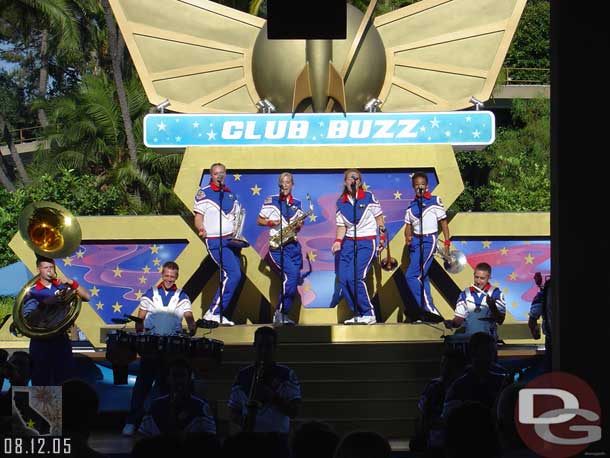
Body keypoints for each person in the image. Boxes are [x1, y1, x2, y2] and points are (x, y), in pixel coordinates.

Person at [122, 261, 196, 436]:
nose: (169, 279)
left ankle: (163, 424)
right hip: (151, 347)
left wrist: (192, 325)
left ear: (176, 277)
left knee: (166, 387)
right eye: (166, 275)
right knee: (142, 386)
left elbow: (189, 316)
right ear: (162, 275)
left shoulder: (182, 296)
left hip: (172, 349)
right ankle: (132, 422)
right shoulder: (150, 293)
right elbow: (140, 318)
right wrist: (141, 338)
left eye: (172, 276)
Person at [23, 256, 90, 386]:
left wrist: (71, 282)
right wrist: (44, 305)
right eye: (45, 267)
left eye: (51, 267)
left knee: (65, 379)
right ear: (38, 270)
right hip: (41, 340)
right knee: (41, 380)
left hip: (61, 339)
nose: (49, 270)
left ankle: (65, 406)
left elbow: (87, 296)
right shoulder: (32, 292)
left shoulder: (61, 287)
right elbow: (28, 320)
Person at [331, 169, 386, 325]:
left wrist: (381, 237)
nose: (352, 181)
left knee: (356, 277)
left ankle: (368, 313)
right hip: (348, 242)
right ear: (345, 182)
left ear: (359, 182)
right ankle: (358, 313)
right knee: (344, 278)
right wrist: (337, 241)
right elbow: (342, 226)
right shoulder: (341, 202)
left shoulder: (369, 197)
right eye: (349, 178)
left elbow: (379, 219)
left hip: (366, 241)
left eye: (356, 178)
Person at [194, 162, 243, 326]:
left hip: (231, 241)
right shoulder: (204, 193)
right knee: (234, 274)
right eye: (216, 173)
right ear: (211, 175)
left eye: (222, 173)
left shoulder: (230, 195)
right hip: (215, 240)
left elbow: (237, 219)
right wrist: (201, 229)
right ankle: (213, 313)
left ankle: (218, 314)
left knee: (231, 276)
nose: (219, 176)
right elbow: (198, 216)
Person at [228, 326, 301, 435]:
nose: (263, 350)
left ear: (275, 347)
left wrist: (273, 398)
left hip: (277, 439)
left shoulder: (287, 375)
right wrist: (243, 422)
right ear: (254, 346)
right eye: (260, 346)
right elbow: (233, 409)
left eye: (268, 346)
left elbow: (294, 412)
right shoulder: (242, 375)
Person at [257, 172, 305, 326]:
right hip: (278, 247)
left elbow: (299, 227)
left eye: (287, 182)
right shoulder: (271, 201)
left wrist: (298, 225)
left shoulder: (297, 203)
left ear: (292, 184)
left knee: (292, 279)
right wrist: (271, 223)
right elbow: (259, 220)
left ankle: (283, 314)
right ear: (279, 185)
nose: (284, 185)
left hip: (293, 246)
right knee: (290, 276)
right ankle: (280, 314)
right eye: (282, 183)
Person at [404, 172, 450, 322]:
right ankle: (424, 314)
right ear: (413, 187)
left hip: (429, 240)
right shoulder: (411, 207)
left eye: (422, 184)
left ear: (427, 186)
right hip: (416, 242)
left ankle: (430, 310)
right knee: (421, 277)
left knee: (411, 275)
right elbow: (408, 225)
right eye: (416, 185)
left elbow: (443, 223)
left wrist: (447, 243)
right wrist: (408, 237)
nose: (420, 187)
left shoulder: (435, 201)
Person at [138, 358, 216, 436]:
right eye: (175, 376)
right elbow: (143, 435)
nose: (179, 380)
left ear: (189, 379)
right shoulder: (156, 405)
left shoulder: (200, 407)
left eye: (182, 376)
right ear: (168, 378)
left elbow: (210, 438)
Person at [443, 262, 506, 340]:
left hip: (488, 340)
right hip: (469, 339)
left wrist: (492, 306)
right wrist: (452, 323)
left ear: (489, 277)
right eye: (476, 277)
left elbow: (500, 320)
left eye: (482, 278)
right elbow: (459, 320)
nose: (478, 281)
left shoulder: (496, 293)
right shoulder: (465, 294)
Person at [528, 272, 552, 373]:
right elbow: (532, 319)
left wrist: (535, 332)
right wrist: (535, 332)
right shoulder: (545, 292)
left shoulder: (545, 292)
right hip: (551, 340)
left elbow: (532, 320)